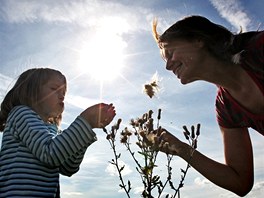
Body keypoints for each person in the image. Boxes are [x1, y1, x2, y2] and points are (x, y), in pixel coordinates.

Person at [152, 15, 263, 196]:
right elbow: (240, 181)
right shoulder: (226, 108)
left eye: (170, 54)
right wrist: (181, 148)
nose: (168, 67)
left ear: (198, 40)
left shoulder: (259, 51)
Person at [0, 68, 116, 198]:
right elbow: (50, 153)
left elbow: (68, 167)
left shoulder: (51, 129)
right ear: (31, 92)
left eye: (63, 93)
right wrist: (85, 121)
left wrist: (88, 127)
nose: (61, 96)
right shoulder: (21, 114)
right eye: (54, 89)